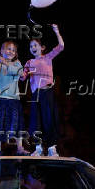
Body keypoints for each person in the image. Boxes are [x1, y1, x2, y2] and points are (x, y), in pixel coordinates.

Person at [21, 24, 64, 156]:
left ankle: (52, 148)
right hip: (36, 94)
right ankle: (38, 148)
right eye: (31, 46)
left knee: (49, 119)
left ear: (42, 47)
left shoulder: (48, 57)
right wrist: (17, 71)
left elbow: (61, 46)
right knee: (36, 120)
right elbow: (23, 77)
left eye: (35, 45)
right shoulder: (29, 62)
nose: (33, 48)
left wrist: (56, 31)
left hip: (47, 93)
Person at [0, 40, 29, 156]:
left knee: (17, 123)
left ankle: (20, 147)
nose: (11, 51)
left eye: (13, 50)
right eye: (8, 49)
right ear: (2, 51)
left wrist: (5, 63)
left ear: (16, 54)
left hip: (13, 99)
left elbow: (19, 73)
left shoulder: (17, 63)